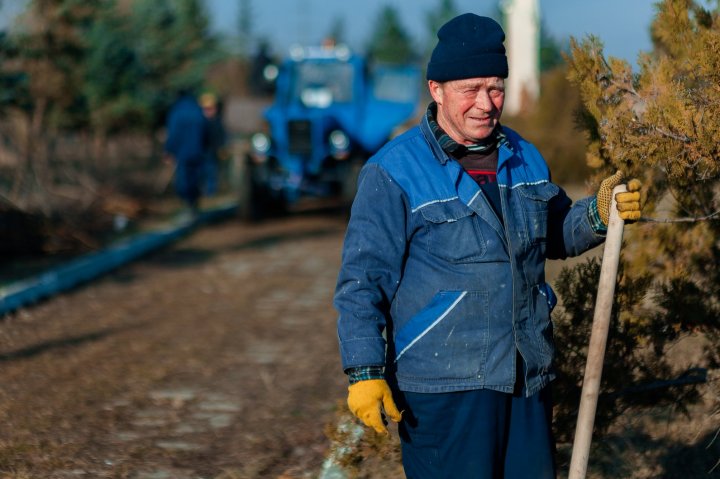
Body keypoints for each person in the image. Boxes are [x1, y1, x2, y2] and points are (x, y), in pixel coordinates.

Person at [333, 13, 642, 479]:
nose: (485, 103)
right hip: (444, 388)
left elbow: (552, 233)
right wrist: (364, 372)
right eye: (470, 89)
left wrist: (597, 215)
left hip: (524, 376)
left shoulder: (523, 156)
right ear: (436, 89)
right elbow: (362, 282)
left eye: (495, 88)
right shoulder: (394, 171)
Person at [163, 90, 208, 215]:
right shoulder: (197, 110)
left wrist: (168, 150)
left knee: (184, 180)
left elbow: (172, 134)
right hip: (198, 151)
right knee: (196, 178)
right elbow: (206, 131)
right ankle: (194, 204)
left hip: (182, 153)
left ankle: (188, 205)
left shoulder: (176, 112)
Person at [199, 92, 228, 197]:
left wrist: (222, 147)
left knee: (212, 171)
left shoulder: (217, 121)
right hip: (202, 151)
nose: (209, 111)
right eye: (206, 109)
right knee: (202, 172)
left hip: (213, 151)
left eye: (211, 108)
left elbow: (222, 136)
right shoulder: (200, 122)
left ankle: (211, 192)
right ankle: (202, 191)